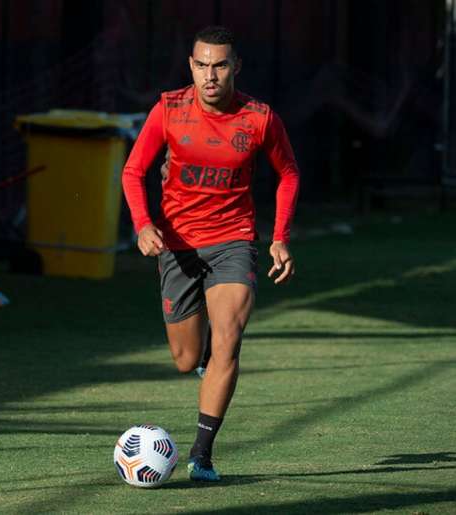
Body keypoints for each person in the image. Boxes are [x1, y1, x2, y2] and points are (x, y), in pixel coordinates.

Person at [121, 25, 300, 482]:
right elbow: (133, 170)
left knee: (229, 340)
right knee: (185, 360)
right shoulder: (168, 109)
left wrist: (279, 236)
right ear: (191, 66)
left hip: (234, 241)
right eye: (202, 65)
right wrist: (143, 225)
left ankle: (202, 453)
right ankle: (201, 356)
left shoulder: (260, 118)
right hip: (177, 245)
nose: (210, 75)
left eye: (220, 65)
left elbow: (289, 174)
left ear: (235, 67)